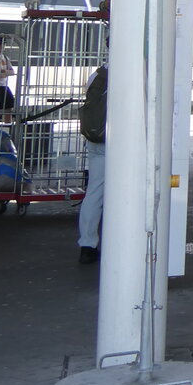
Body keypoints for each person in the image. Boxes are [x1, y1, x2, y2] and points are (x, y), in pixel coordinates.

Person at [77, 48, 108, 264]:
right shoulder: (131, 72)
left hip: (96, 139)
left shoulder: (96, 75)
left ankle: (87, 245)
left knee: (94, 192)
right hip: (120, 143)